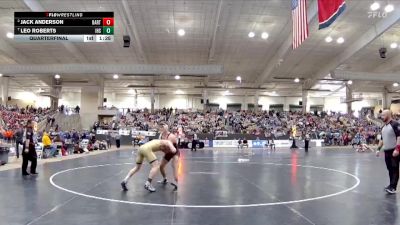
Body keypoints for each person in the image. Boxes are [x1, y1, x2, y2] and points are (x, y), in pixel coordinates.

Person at [376, 110, 400, 194]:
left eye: (383, 115)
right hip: (387, 151)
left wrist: (397, 149)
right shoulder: (383, 127)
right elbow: (381, 140)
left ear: (388, 115)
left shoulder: (395, 124)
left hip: (394, 150)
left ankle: (393, 187)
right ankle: (391, 185)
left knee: (394, 169)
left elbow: (399, 137)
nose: (381, 117)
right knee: (390, 169)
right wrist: (378, 149)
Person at [158, 122, 179, 190]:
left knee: (174, 166)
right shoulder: (160, 136)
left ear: (167, 128)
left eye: (164, 126)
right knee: (161, 166)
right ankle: (165, 179)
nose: (162, 128)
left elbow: (172, 149)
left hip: (175, 152)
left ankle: (176, 182)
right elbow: (161, 147)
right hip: (168, 152)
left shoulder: (171, 136)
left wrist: (163, 149)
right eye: (161, 126)